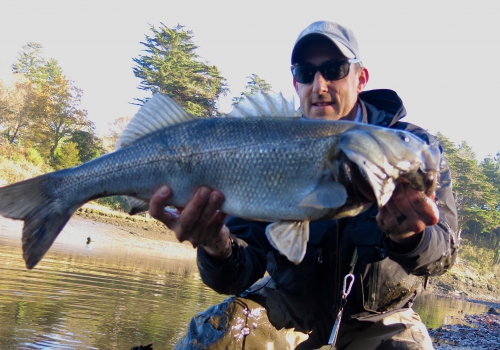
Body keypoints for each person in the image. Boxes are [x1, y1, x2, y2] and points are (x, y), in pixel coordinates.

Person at [148, 21, 459, 349]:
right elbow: (236, 273)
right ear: (295, 82)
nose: (319, 84)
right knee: (215, 335)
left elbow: (442, 254)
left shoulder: (413, 148)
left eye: (334, 69)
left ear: (361, 78)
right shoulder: (267, 147)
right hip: (288, 310)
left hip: (379, 321)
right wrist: (216, 246)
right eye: (305, 72)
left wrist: (412, 236)